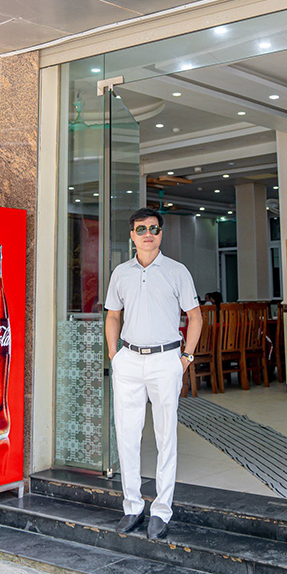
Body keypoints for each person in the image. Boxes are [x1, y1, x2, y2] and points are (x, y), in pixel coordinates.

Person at [105, 208, 202, 540]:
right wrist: (114, 355)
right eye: (142, 229)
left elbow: (195, 316)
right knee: (127, 436)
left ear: (161, 233)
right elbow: (113, 315)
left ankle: (161, 510)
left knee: (165, 436)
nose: (148, 234)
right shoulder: (121, 273)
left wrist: (186, 358)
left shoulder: (177, 271)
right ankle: (132, 506)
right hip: (129, 360)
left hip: (165, 360)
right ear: (132, 235)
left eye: (154, 229)